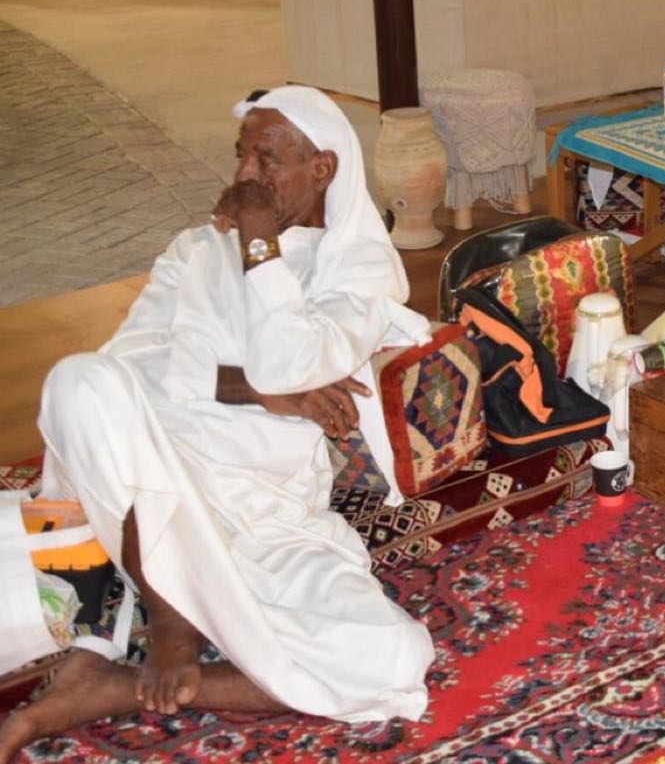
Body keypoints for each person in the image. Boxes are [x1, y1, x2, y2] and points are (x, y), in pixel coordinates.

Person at [0, 86, 436, 763]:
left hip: (267, 516)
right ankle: (166, 618)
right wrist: (257, 391)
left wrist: (260, 244)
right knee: (79, 381)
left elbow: (291, 359)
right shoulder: (197, 251)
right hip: (144, 494)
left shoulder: (359, 270)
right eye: (241, 156)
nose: (245, 176)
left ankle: (115, 685)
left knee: (394, 657)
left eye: (267, 159)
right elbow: (128, 362)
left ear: (322, 168)